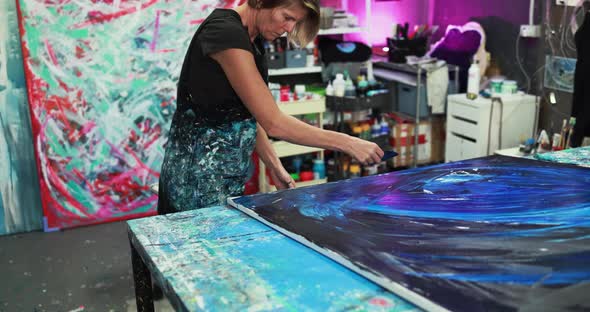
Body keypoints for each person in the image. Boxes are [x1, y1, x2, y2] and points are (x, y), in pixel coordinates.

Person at [157, 0, 383, 214]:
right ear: (260, 2)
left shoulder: (251, 41)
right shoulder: (225, 34)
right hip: (194, 182)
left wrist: (274, 166)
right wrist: (349, 143)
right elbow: (273, 123)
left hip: (222, 178)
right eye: (287, 17)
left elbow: (245, 116)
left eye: (295, 22)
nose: (288, 28)